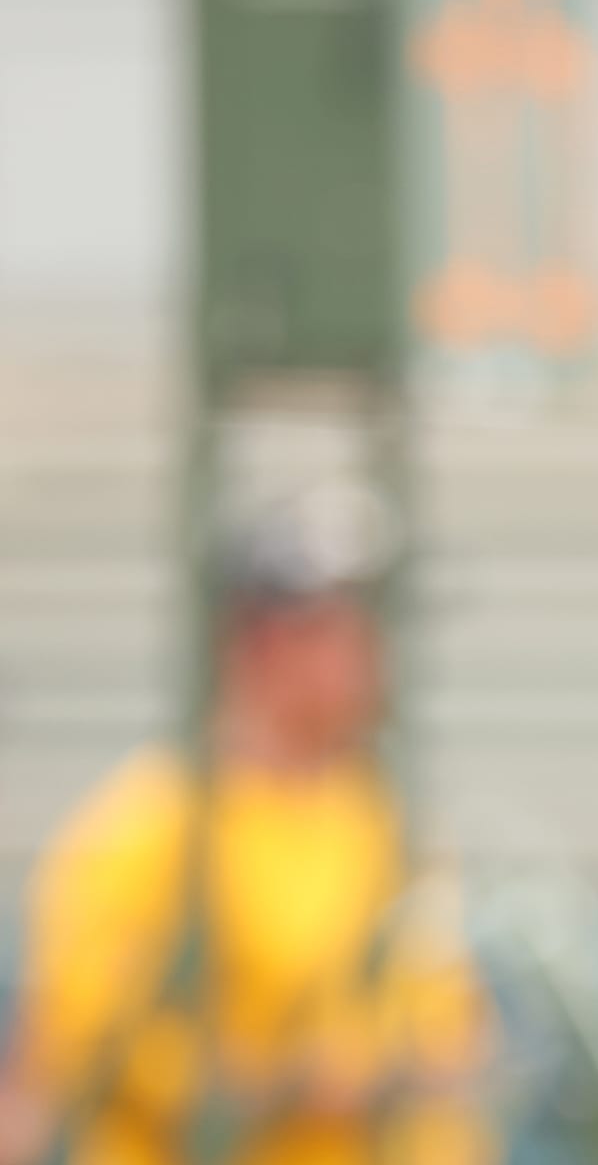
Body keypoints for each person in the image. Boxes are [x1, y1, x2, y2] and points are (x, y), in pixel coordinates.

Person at [0, 485, 494, 1165]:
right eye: (350, 626)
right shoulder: (147, 830)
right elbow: (71, 1052)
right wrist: (277, 1078)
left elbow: (453, 1036)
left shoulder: (393, 822)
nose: (378, 654)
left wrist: (377, 1068)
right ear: (263, 640)